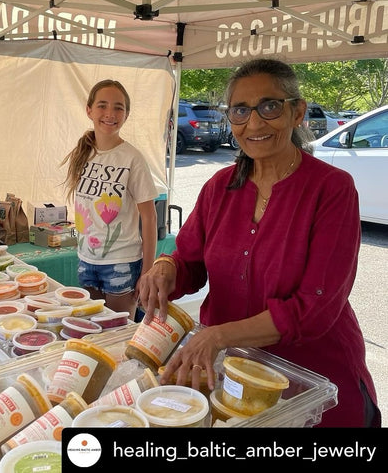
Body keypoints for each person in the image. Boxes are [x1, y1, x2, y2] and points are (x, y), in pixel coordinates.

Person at [137, 58, 381, 427]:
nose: (254, 123)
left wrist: (217, 336)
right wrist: (164, 267)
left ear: (297, 112)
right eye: (240, 110)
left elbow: (314, 309)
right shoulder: (219, 187)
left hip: (313, 379)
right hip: (231, 376)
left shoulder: (331, 188)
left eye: (269, 107)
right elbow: (188, 260)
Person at [61, 79, 157, 321]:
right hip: (86, 258)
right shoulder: (84, 153)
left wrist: (148, 270)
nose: (110, 114)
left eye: (118, 107)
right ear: (89, 110)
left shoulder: (132, 158)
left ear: (126, 114)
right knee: (90, 329)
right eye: (102, 105)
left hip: (122, 262)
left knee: (117, 333)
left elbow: (149, 216)